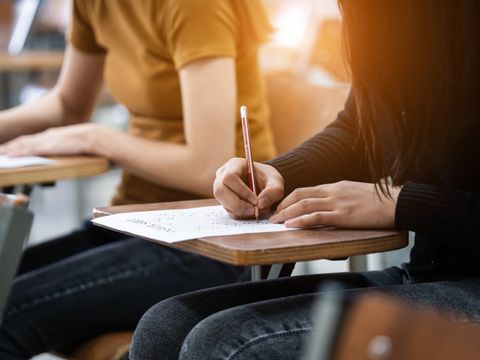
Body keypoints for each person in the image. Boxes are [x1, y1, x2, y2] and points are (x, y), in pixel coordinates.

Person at [129, 1, 480, 359]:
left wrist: (400, 203)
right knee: (166, 325)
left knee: (225, 344)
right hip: (429, 275)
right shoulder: (391, 22)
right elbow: (359, 132)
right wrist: (277, 173)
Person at [0, 0, 276, 358]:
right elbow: (68, 104)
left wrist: (96, 138)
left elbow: (206, 167)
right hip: (136, 220)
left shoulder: (193, 7)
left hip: (215, 236)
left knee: (7, 313)